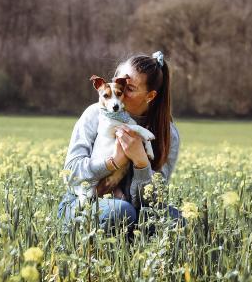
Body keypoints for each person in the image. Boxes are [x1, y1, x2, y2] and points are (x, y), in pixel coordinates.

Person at [57, 51, 184, 237]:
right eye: (117, 80)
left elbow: (154, 200)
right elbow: (71, 173)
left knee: (179, 221)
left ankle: (132, 249)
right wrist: (113, 161)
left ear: (150, 96)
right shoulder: (95, 114)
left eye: (129, 88)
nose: (118, 90)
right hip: (83, 200)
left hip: (134, 207)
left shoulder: (167, 132)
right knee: (122, 212)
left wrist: (141, 163)